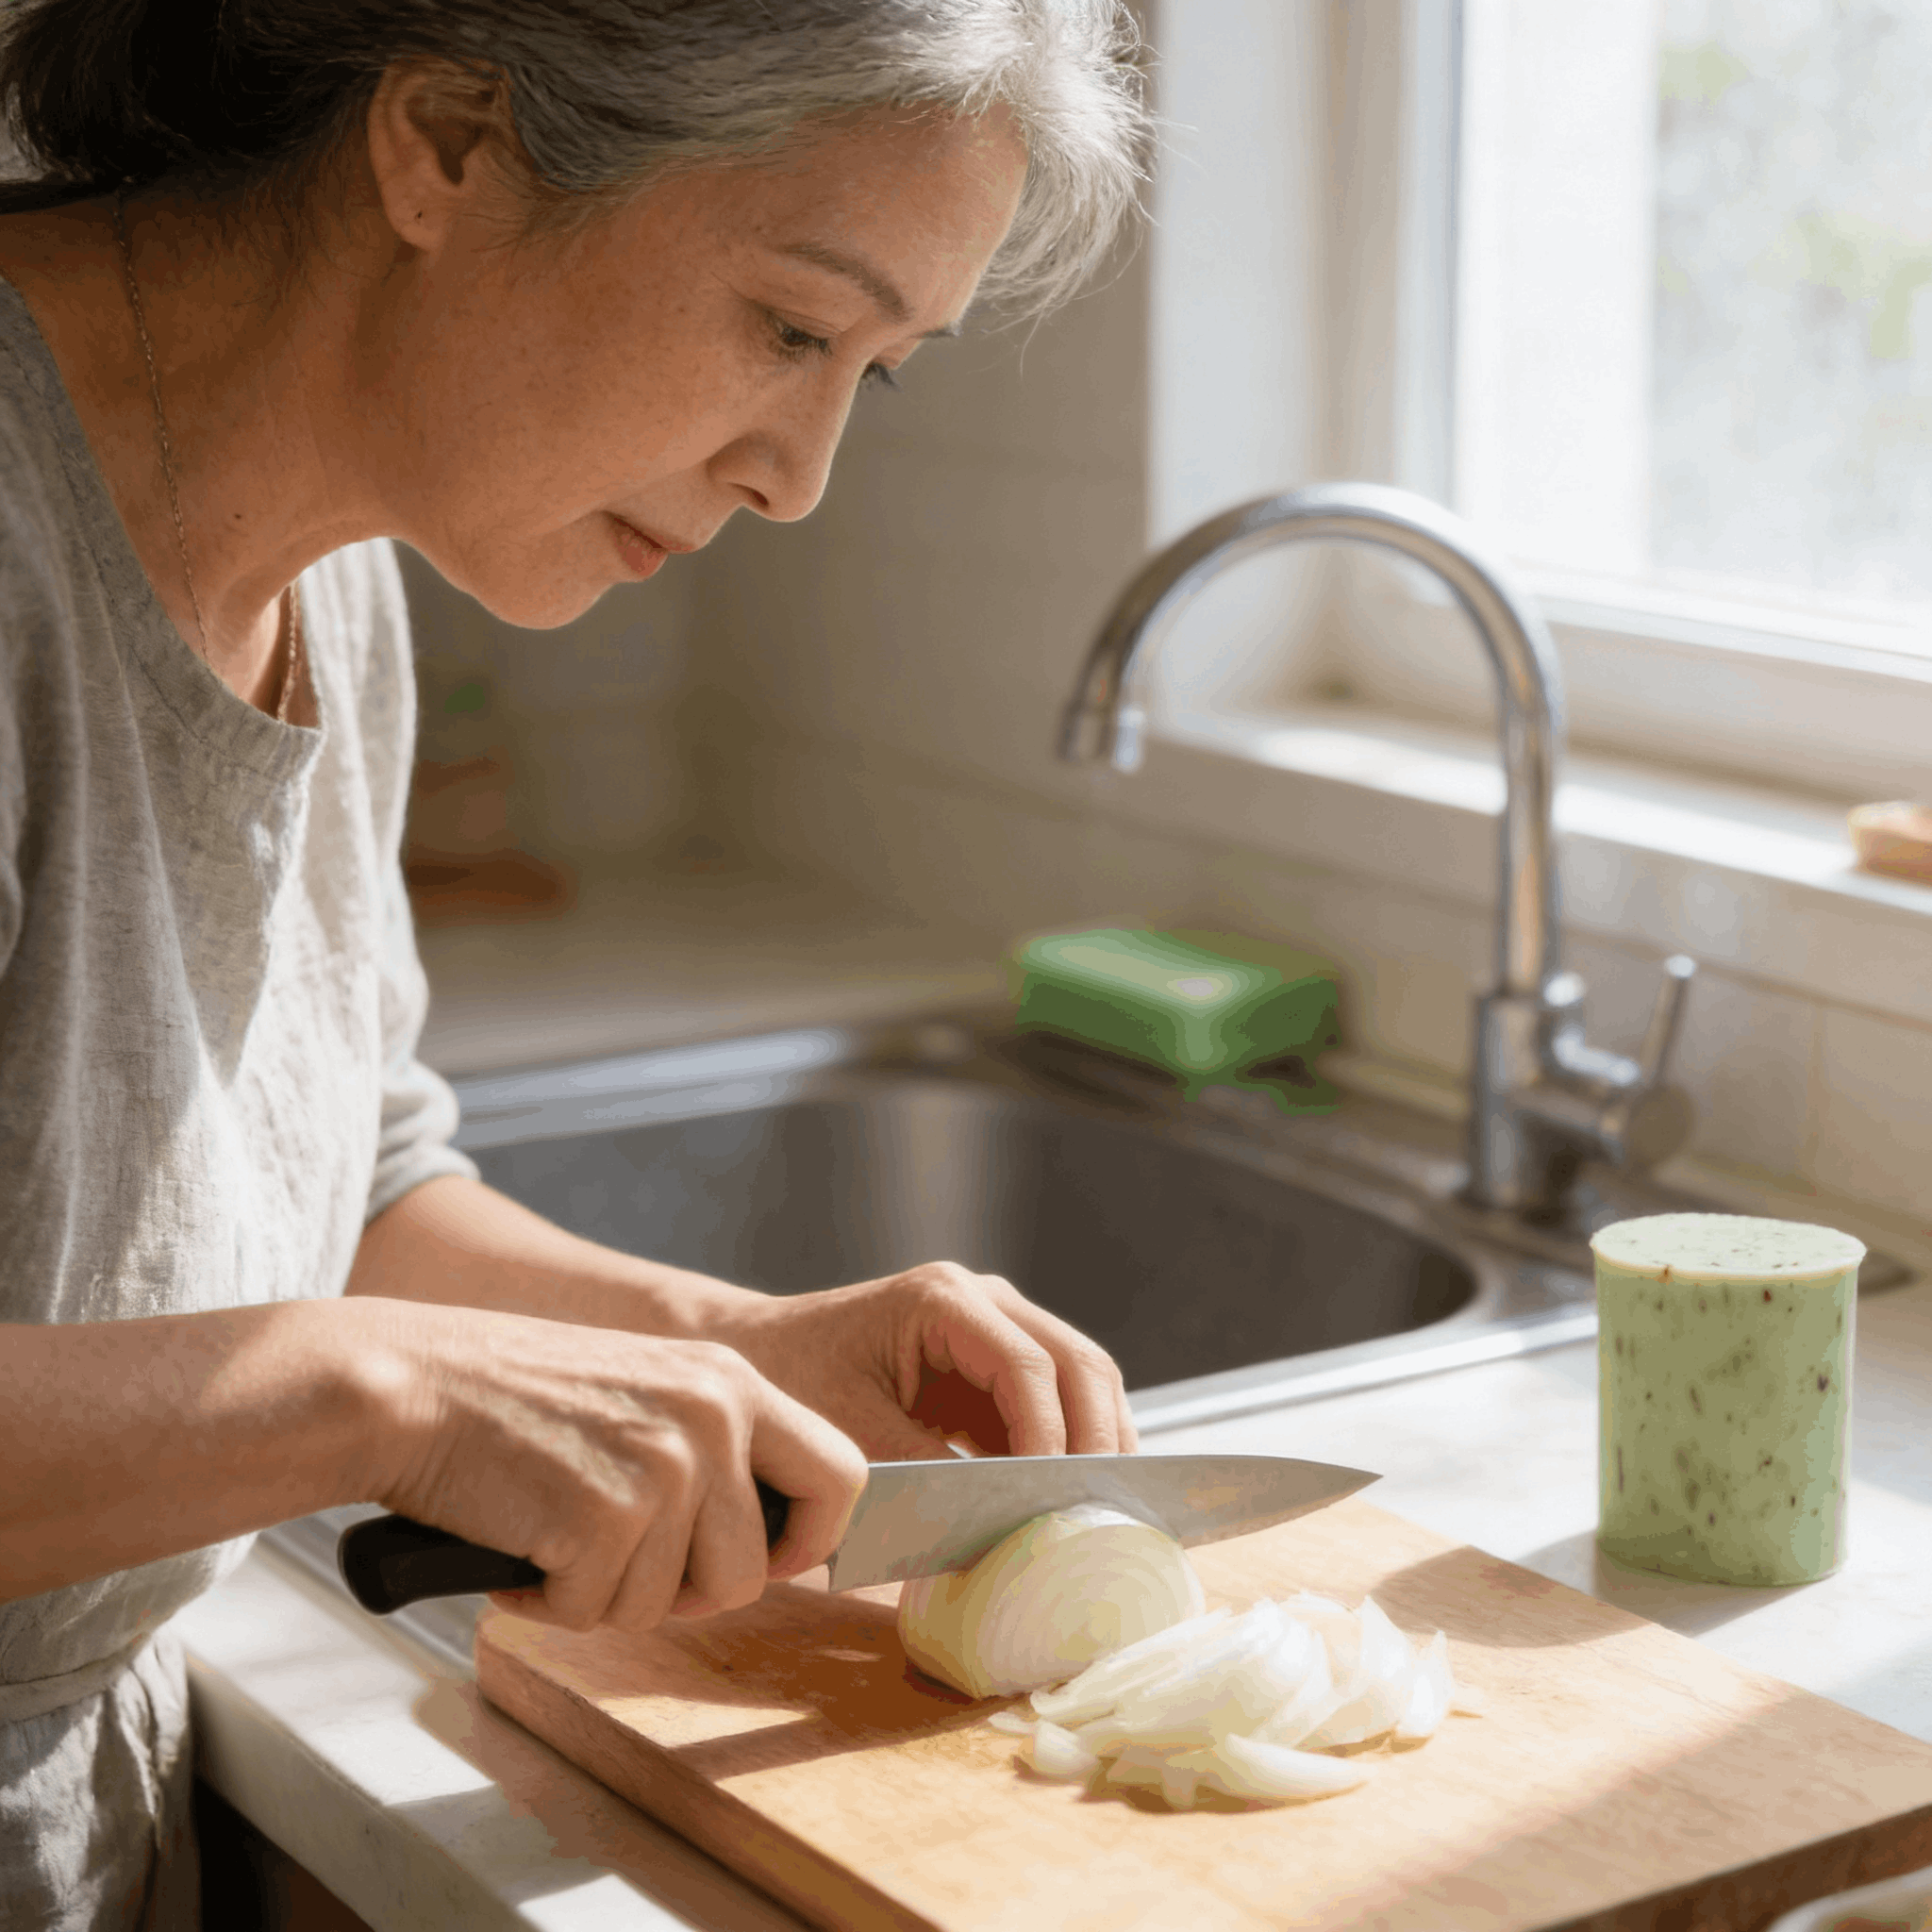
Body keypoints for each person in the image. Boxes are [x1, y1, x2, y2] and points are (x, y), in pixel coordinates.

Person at [0, 2, 1148, 1923]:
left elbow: (334, 1191)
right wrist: (382, 1395)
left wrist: (727, 1343)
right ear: (449, 141)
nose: (800, 476)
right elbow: (333, 1337)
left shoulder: (330, 555)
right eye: (791, 327)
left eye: (874, 374)